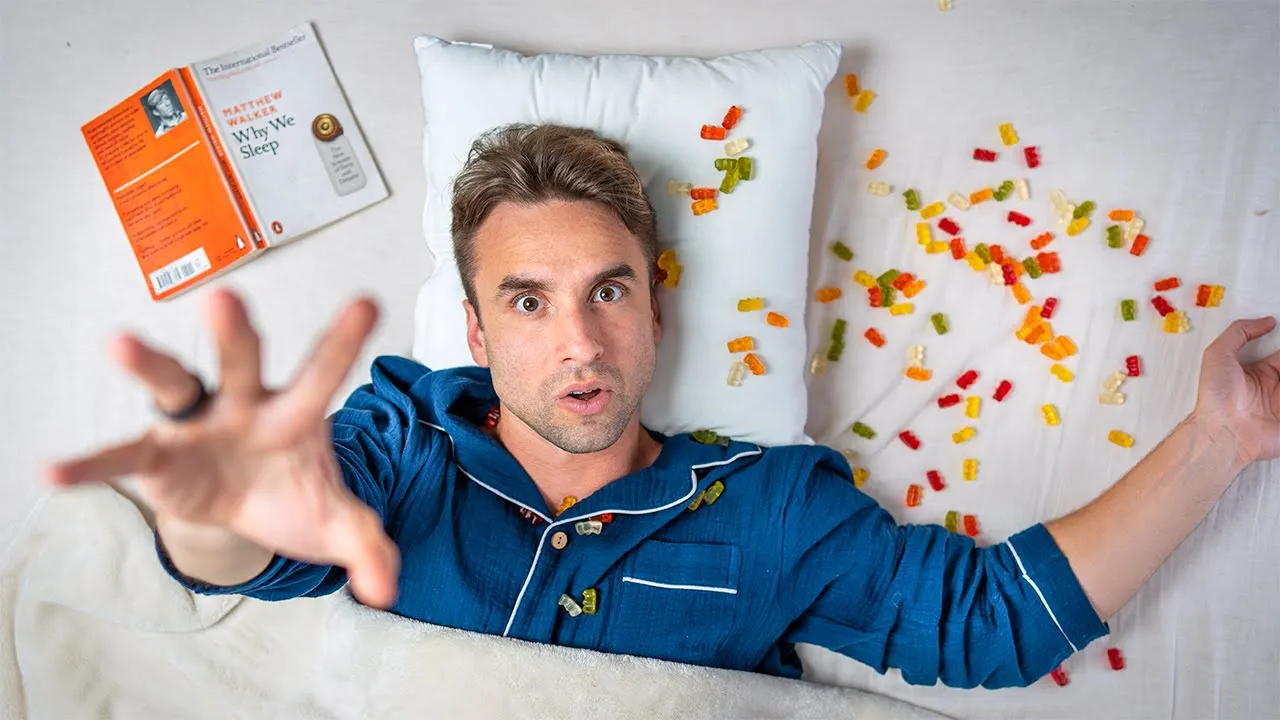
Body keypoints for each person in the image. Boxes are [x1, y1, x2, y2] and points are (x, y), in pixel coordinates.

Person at [48, 124, 1280, 688]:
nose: (578, 343)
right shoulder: (399, 444)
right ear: (474, 332)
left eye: (608, 291)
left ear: (655, 307)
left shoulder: (769, 508)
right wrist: (211, 510)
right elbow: (251, 550)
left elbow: (988, 626)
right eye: (527, 302)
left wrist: (1218, 440)